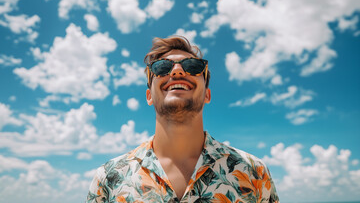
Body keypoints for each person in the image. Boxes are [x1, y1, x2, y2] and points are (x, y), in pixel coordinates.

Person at [86, 36, 279, 203]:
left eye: (192, 66)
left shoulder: (254, 172)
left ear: (207, 95)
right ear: (149, 96)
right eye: (162, 67)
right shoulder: (109, 178)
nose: (177, 71)